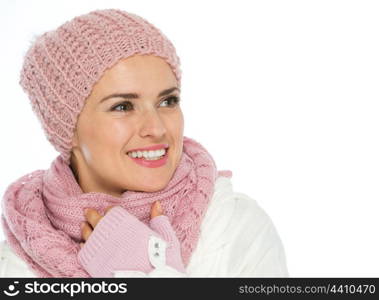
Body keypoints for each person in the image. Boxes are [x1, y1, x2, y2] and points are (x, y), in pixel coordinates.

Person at [0, 8, 288, 278]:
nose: (157, 128)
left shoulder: (237, 230)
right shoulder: (16, 261)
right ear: (66, 128)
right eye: (123, 107)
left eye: (167, 101)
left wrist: (151, 273)